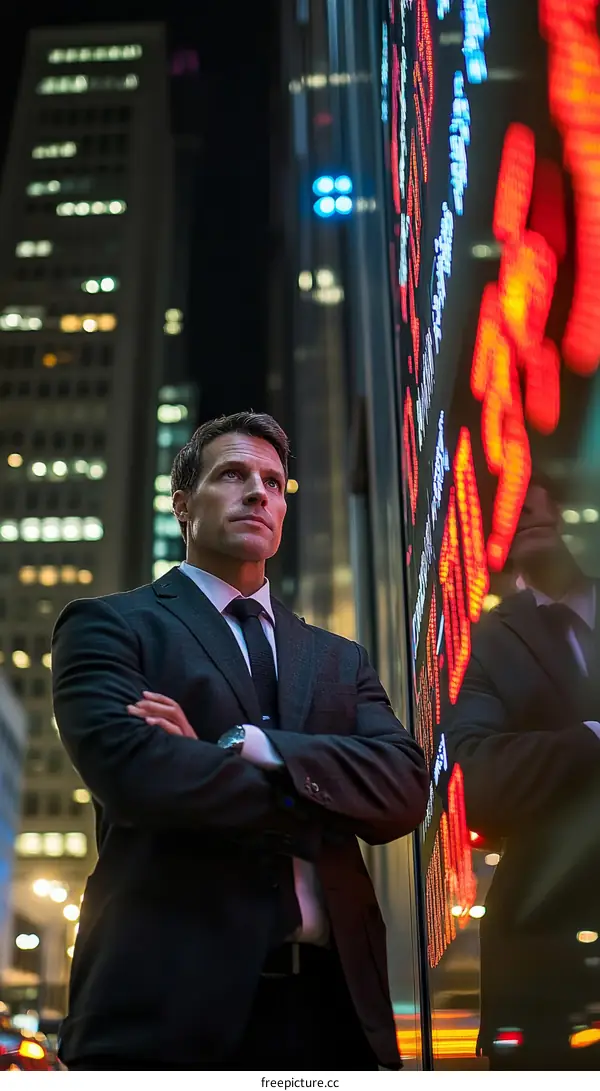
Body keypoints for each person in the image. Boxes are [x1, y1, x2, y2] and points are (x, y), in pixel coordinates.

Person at [52, 411, 429, 1072]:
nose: (259, 492)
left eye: (274, 482)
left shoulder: (340, 659)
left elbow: (403, 791)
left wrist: (242, 746)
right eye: (232, 475)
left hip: (336, 1013)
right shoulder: (109, 626)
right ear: (182, 506)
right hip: (163, 1010)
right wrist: (328, 795)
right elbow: (135, 775)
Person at [440, 472, 600, 1070]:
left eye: (536, 491)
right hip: (545, 957)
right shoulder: (481, 643)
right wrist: (590, 739)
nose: (524, 507)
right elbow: (477, 781)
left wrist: (542, 755)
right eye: (504, 498)